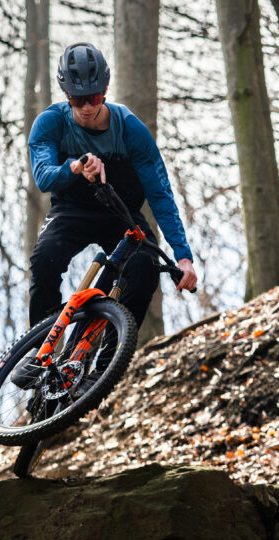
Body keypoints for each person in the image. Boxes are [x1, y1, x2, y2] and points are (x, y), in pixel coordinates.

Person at [26, 42, 197, 331]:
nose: (88, 106)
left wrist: (183, 256)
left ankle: (109, 361)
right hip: (71, 211)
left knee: (145, 266)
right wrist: (76, 166)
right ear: (66, 95)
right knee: (45, 260)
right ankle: (39, 350)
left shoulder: (130, 129)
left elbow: (160, 195)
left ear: (105, 90)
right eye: (78, 100)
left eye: (93, 96)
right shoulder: (50, 123)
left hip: (121, 213)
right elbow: (44, 177)